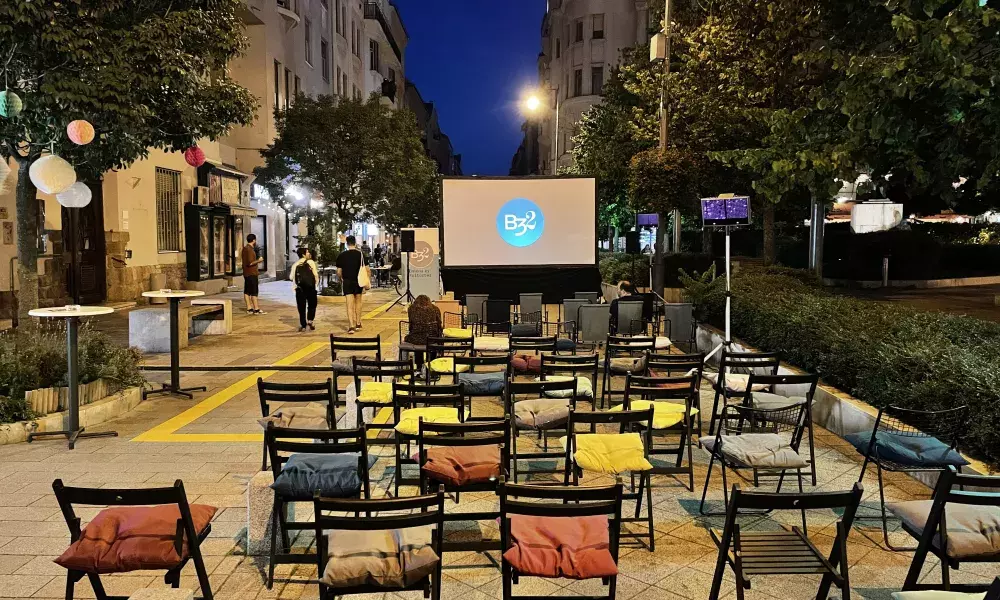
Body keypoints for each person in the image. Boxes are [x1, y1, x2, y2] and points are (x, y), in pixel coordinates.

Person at [336, 235, 365, 334]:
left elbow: (339, 271)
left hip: (347, 281)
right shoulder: (361, 255)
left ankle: (351, 326)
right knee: (358, 302)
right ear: (355, 243)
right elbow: (367, 270)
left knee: (349, 304)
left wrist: (341, 278)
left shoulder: (342, 255)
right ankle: (358, 323)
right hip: (358, 281)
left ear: (347, 244)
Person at [404, 295, 441, 367]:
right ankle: (431, 364)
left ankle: (419, 365)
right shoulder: (435, 309)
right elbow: (439, 325)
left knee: (416, 338)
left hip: (416, 339)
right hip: (432, 339)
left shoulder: (411, 309)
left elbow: (411, 326)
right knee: (432, 340)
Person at [290, 247, 319, 332]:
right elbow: (315, 275)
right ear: (303, 254)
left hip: (299, 289)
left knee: (301, 307)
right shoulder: (311, 262)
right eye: (307, 252)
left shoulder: (295, 264)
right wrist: (315, 284)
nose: (309, 253)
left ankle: (303, 325)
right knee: (312, 305)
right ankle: (310, 321)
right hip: (311, 287)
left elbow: (291, 277)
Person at [242, 234, 266, 315]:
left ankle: (249, 308)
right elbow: (250, 262)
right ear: (254, 240)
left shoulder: (246, 248)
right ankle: (256, 309)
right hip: (251, 273)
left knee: (247, 291)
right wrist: (259, 260)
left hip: (247, 273)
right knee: (254, 291)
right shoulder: (249, 249)